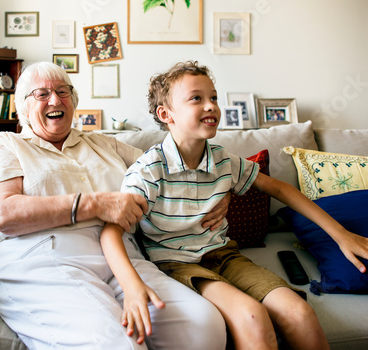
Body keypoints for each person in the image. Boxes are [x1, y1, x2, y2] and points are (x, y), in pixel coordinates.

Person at [100, 61, 368, 350]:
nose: (211, 106)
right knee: (252, 316)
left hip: (225, 255)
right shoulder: (149, 170)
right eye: (196, 98)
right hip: (175, 263)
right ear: (167, 114)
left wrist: (341, 235)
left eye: (213, 97)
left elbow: (279, 188)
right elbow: (111, 231)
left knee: (299, 313)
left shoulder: (223, 159)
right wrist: (132, 286)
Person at [0, 61, 229, 350]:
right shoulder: (8, 144)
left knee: (204, 324)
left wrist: (224, 193)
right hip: (43, 256)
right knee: (117, 344)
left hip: (123, 256)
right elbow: (3, 214)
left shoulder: (104, 143)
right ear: (23, 107)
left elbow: (174, 168)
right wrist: (93, 204)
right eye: (42, 94)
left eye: (63, 91)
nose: (56, 100)